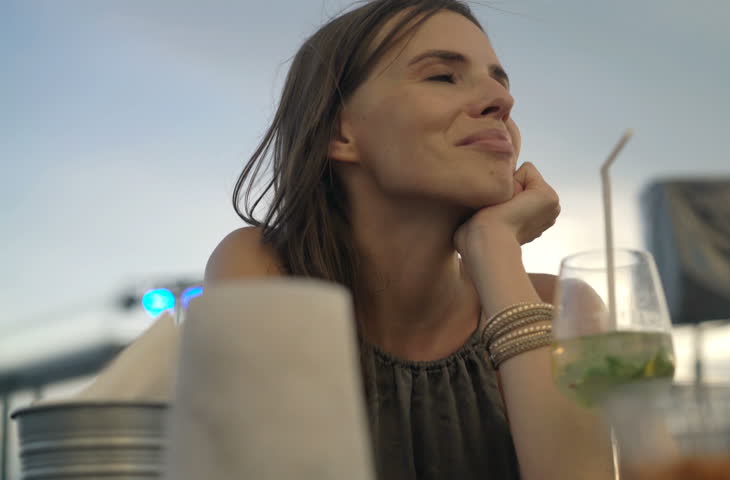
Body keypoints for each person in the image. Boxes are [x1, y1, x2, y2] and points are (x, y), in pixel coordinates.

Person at [205, 1, 613, 478]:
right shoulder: (263, 267)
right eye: (443, 76)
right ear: (340, 133)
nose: (502, 102)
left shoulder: (563, 306)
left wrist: (496, 247)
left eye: (500, 81)